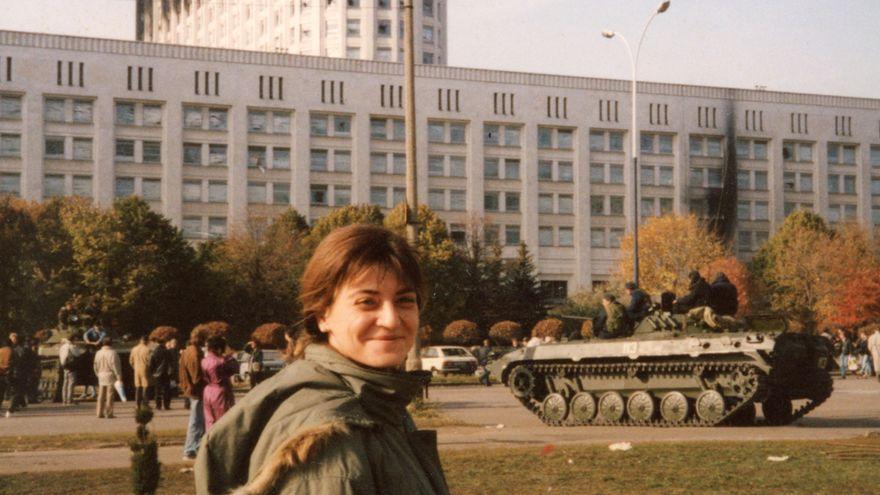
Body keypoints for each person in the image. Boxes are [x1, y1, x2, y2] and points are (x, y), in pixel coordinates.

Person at [196, 225, 449, 495]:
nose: (391, 319)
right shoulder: (330, 446)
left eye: (404, 300)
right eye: (367, 302)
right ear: (322, 315)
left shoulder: (375, 403)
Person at [200, 336, 237, 431]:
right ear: (220, 348)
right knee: (223, 419)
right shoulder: (221, 362)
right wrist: (229, 355)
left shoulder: (204, 361)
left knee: (209, 420)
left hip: (208, 390)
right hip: (220, 390)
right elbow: (234, 368)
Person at [180, 334, 206, 460]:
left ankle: (194, 447)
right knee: (196, 420)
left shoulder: (186, 351)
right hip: (197, 391)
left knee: (197, 420)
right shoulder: (195, 353)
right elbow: (196, 376)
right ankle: (190, 449)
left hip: (191, 389)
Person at [93, 338, 122, 418]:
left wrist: (97, 374)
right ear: (111, 344)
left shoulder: (98, 353)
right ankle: (109, 413)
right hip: (110, 374)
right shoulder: (113, 353)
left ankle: (99, 412)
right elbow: (115, 366)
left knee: (101, 395)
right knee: (110, 395)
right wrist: (119, 376)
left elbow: (95, 365)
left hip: (101, 374)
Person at [149, 338, 175, 410]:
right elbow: (171, 363)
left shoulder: (154, 352)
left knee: (158, 391)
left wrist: (152, 372)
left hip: (157, 374)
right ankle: (166, 405)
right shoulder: (167, 352)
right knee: (167, 390)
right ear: (164, 343)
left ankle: (158, 405)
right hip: (166, 373)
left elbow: (151, 364)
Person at [129, 335, 153, 408]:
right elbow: (150, 361)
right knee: (145, 387)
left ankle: (137, 404)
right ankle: (145, 403)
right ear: (147, 341)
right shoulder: (147, 349)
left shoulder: (134, 349)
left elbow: (131, 361)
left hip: (136, 369)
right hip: (145, 369)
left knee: (138, 387)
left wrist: (134, 367)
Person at [59, 338, 83, 405]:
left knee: (65, 383)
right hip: (71, 366)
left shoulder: (62, 347)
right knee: (71, 383)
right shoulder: (72, 346)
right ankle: (69, 399)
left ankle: (64, 400)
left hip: (64, 366)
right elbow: (77, 354)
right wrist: (76, 346)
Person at [8, 333, 27, 412]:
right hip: (10, 371)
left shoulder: (20, 349)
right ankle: (17, 403)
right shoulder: (8, 348)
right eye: (12, 339)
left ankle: (16, 404)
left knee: (17, 389)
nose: (13, 340)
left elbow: (22, 360)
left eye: (15, 339)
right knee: (15, 389)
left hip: (17, 371)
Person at [0, 337, 14, 414]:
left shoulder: (0, 351)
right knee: (10, 390)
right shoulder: (12, 351)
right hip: (9, 372)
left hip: (0, 372)